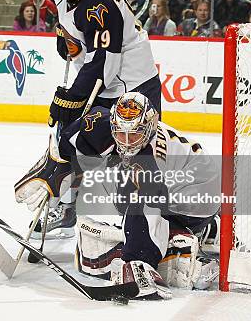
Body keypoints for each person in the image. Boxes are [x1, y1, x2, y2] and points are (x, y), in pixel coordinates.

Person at [14, 92, 220, 299]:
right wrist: (54, 167)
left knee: (139, 207)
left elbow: (145, 209)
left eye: (135, 134)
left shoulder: (154, 160)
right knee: (126, 196)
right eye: (121, 133)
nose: (128, 142)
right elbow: (72, 138)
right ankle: (210, 228)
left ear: (150, 127)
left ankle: (185, 235)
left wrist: (136, 260)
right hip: (192, 181)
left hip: (200, 193)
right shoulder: (100, 122)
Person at [36, 0, 161, 237]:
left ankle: (148, 225)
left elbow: (104, 65)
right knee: (73, 139)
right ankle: (66, 207)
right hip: (103, 80)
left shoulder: (99, 4)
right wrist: (65, 34)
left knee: (130, 158)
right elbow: (67, 14)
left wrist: (71, 97)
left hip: (132, 85)